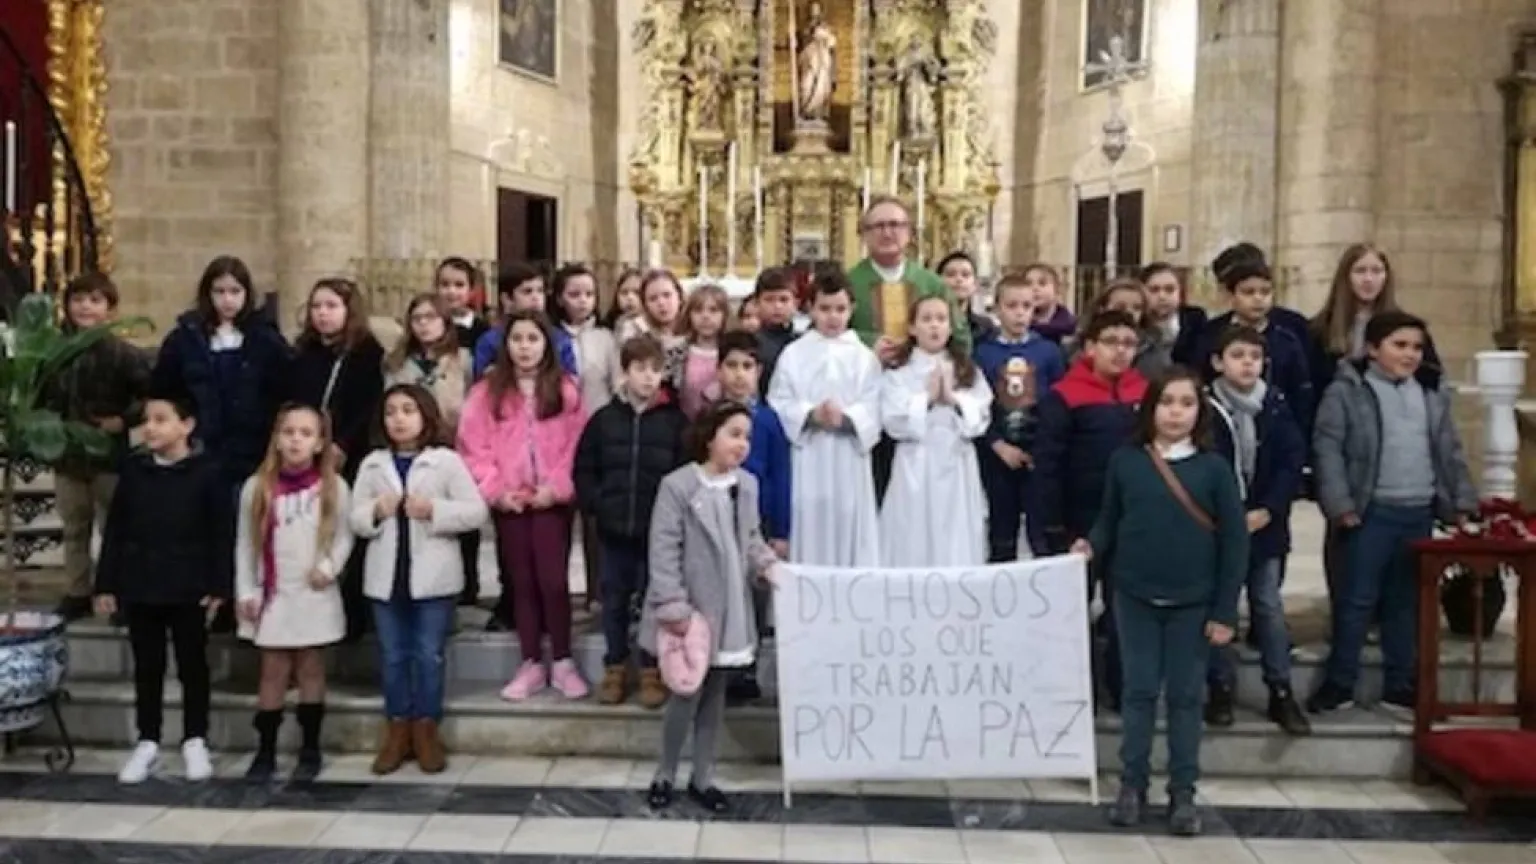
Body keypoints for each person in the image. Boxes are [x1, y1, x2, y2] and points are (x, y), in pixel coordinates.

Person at [1073, 367, 1247, 836]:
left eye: (1186, 404)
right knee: (1139, 691)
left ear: (1200, 412)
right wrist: (1090, 545)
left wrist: (1224, 611)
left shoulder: (1213, 470)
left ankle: (1183, 791)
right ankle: (1132, 784)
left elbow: (1234, 542)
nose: (1175, 413)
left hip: (1194, 601)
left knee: (1186, 698)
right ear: (1150, 408)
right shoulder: (1127, 461)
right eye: (1167, 402)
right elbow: (1110, 519)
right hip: (1134, 596)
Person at [1308, 311, 1477, 716]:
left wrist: (1462, 503)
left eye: (1417, 347)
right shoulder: (1347, 391)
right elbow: (1328, 450)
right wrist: (1340, 505)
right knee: (1356, 601)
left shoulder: (1431, 392)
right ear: (1372, 348)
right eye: (1399, 345)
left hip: (1418, 512)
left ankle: (1400, 684)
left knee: (1406, 604)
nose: (1410, 354)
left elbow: (1449, 452)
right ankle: (1339, 682)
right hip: (1369, 513)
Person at [642, 402, 780, 815]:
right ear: (709, 437)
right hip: (693, 610)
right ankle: (665, 772)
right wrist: (673, 603)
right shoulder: (678, 487)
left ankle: (703, 776)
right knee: (685, 693)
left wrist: (768, 565)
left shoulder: (746, 486)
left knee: (715, 695)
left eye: (746, 437)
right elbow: (664, 548)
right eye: (733, 434)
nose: (742, 444)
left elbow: (751, 538)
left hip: (730, 607)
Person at [349, 385, 488, 775]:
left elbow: (475, 511)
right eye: (391, 411)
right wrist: (376, 511)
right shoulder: (372, 464)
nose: (399, 419)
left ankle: (426, 728)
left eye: (408, 410)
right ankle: (397, 728)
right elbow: (354, 519)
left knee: (428, 654)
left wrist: (434, 510)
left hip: (433, 579)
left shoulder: (445, 461)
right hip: (386, 578)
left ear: (426, 416)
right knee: (393, 656)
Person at [94, 386, 229, 784]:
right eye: (146, 421)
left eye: (160, 420)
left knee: (192, 665)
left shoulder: (208, 473)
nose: (150, 428)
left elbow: (221, 533)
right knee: (147, 666)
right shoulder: (135, 470)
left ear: (186, 425)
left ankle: (195, 739)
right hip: (142, 583)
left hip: (189, 585)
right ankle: (148, 740)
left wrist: (219, 585)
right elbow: (116, 529)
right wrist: (107, 584)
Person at [458, 311, 590, 701]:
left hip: (551, 501)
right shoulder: (486, 393)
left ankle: (563, 660)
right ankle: (530, 661)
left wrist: (557, 487)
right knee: (522, 581)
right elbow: (472, 446)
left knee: (553, 580)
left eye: (533, 339)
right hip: (510, 502)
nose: (525, 347)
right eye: (517, 339)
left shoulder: (565, 390)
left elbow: (577, 444)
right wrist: (497, 490)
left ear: (547, 344)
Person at [1306, 244, 1443, 604]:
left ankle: (1386, 615)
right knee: (1346, 540)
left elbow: (1431, 378)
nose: (1369, 280)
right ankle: (1346, 611)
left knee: (1396, 561)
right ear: (1346, 277)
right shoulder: (1321, 329)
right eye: (1361, 271)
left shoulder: (1408, 328)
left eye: (1376, 271)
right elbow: (1311, 389)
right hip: (1342, 441)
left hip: (1393, 443)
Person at [1034, 310, 1149, 709]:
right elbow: (1047, 465)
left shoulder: (1145, 395)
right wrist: (1050, 526)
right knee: (1070, 610)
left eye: (1129, 344)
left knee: (1124, 610)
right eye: (1111, 342)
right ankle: (1072, 690)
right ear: (1089, 348)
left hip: (1130, 523)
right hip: (1077, 522)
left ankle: (1121, 687)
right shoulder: (1065, 396)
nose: (1120, 352)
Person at [234, 403, 355, 783]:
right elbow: (245, 545)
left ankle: (310, 747)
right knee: (272, 671)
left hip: (313, 593)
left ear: (320, 443)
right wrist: (246, 590)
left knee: (310, 669)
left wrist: (329, 568)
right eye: (288, 432)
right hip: (274, 593)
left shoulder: (333, 487)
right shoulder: (257, 487)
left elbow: (344, 536)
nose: (295, 440)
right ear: (276, 438)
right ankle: (266, 749)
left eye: (305, 433)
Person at [1200, 328, 1310, 735]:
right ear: (1218, 362)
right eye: (1238, 355)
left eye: (1255, 356)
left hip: (1265, 525)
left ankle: (1280, 689)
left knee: (1267, 606)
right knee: (1221, 607)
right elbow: (1202, 463)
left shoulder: (1275, 405)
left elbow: (1290, 461)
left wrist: (1269, 508)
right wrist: (1227, 514)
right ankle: (1220, 687)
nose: (1247, 363)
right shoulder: (1205, 408)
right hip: (1218, 528)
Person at [574, 335, 689, 708]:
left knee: (655, 601)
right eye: (640, 368)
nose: (648, 377)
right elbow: (585, 468)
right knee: (615, 600)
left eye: (655, 369)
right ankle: (615, 667)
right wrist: (597, 504)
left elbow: (685, 473)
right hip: (614, 531)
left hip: (658, 533)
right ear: (625, 372)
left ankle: (652, 669)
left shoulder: (674, 422)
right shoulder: (604, 420)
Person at [47, 271, 151, 621]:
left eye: (95, 300)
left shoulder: (124, 354)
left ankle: (117, 592)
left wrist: (123, 420)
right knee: (74, 527)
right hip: (67, 455)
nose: (86, 307)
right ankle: (77, 591)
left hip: (109, 455)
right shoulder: (55, 354)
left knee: (114, 528)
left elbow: (147, 396)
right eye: (78, 300)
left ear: (110, 308)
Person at [151, 256, 290, 511]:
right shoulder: (184, 340)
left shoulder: (266, 339)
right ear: (208, 293)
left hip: (253, 452)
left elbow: (282, 392)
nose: (228, 300)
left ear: (247, 294)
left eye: (235, 291)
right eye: (220, 291)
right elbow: (165, 391)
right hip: (199, 450)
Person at [767, 271, 882, 567]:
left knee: (849, 520)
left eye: (840, 309)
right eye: (825, 308)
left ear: (852, 309)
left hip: (849, 455)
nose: (833, 317)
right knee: (809, 520)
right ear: (810, 309)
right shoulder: (794, 354)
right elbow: (779, 400)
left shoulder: (864, 357)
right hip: (809, 454)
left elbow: (874, 403)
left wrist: (849, 418)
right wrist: (810, 414)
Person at [879, 295, 992, 566]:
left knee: (955, 534)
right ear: (912, 328)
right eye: (926, 319)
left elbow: (982, 414)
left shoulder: (967, 369)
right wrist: (927, 399)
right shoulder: (899, 372)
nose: (934, 326)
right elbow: (892, 419)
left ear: (950, 327)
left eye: (941, 319)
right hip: (915, 462)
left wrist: (954, 399)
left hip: (956, 462)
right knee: (914, 533)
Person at [714, 330, 791, 703]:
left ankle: (747, 668)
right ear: (718, 370)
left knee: (754, 596)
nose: (739, 374)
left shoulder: (770, 420)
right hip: (716, 520)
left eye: (747, 366)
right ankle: (719, 669)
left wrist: (782, 531)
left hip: (757, 524)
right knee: (721, 594)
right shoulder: (708, 418)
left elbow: (781, 474)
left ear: (759, 371)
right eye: (731, 365)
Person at [972, 273, 1066, 561]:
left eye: (1026, 306)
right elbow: (977, 405)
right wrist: (996, 444)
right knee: (1002, 530)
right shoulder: (983, 353)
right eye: (1011, 306)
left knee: (1041, 531)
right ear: (997, 309)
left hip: (1038, 452)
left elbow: (1058, 402)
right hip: (998, 454)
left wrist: (1042, 448)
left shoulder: (1048, 352)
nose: (1020, 313)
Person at [1191, 244, 1313, 437]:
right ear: (1231, 295)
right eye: (1248, 292)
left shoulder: (1288, 337)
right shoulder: (1211, 334)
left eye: (1265, 292)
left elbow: (1301, 391)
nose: (1258, 299)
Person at [846, 196, 968, 359]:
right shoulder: (847, 284)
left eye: (894, 225)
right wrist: (868, 342)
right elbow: (826, 334)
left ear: (909, 233)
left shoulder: (933, 285)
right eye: (878, 226)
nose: (887, 233)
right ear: (864, 234)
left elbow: (960, 338)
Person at [473, 264, 577, 378]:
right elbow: (482, 379)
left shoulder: (560, 339)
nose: (536, 297)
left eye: (540, 291)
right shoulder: (490, 341)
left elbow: (570, 379)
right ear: (507, 299)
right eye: (527, 291)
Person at [675, 282, 730, 419]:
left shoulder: (732, 350)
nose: (705, 316)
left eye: (713, 310)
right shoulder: (678, 350)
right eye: (698, 310)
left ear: (724, 315)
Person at [1140, 262, 1207, 369]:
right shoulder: (1137, 323)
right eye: (1154, 290)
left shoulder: (1195, 320)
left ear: (1180, 293)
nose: (1162, 296)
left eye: (1169, 290)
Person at [752, 266, 800, 397]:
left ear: (795, 304)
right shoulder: (751, 344)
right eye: (769, 299)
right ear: (756, 304)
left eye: (784, 299)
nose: (777, 306)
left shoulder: (803, 342)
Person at [937, 250, 997, 343]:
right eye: (951, 274)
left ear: (975, 284)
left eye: (965, 275)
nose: (959, 279)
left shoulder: (986, 328)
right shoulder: (928, 326)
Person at [435, 256, 490, 351]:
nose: (451, 291)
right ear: (436, 288)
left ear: (471, 290)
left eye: (459, 285)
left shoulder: (484, 330)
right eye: (445, 284)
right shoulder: (431, 325)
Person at [1025, 263, 1076, 346]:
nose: (1034, 288)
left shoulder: (1070, 329)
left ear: (1057, 289)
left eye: (1042, 283)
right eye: (1028, 284)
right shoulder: (1016, 327)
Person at [604, 268, 647, 344]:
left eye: (637, 292)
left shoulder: (652, 329)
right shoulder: (607, 327)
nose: (630, 297)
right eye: (624, 292)